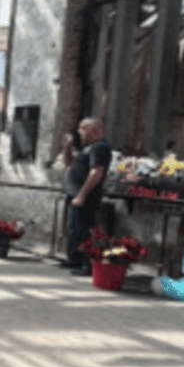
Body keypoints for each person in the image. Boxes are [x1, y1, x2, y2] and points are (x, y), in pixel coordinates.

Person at [63, 117, 112, 276]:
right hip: (75, 195)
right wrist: (66, 148)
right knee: (74, 229)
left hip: (87, 197)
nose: (79, 132)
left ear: (94, 130)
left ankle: (87, 264)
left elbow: (96, 172)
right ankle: (74, 259)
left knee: (84, 230)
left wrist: (82, 194)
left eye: (82, 129)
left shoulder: (100, 147)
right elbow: (69, 165)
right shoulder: (88, 148)